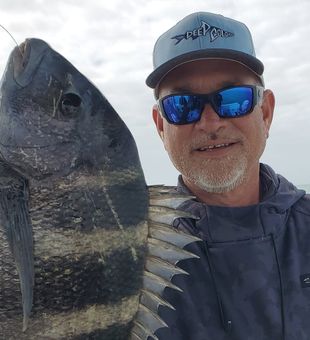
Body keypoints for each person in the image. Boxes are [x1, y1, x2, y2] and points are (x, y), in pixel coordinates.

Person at [145, 12, 310, 340]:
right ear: (161, 126)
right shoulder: (132, 261)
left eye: (234, 99)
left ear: (265, 112)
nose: (210, 122)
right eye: (183, 105)